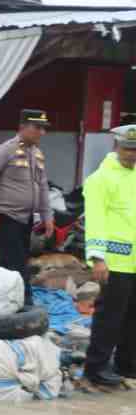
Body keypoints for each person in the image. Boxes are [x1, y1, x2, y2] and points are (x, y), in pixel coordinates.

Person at [81, 124, 136, 387]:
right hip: (114, 261)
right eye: (127, 149)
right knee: (109, 316)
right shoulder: (101, 179)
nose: (132, 155)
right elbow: (96, 220)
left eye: (135, 150)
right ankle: (97, 367)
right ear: (116, 147)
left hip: (135, 261)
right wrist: (98, 258)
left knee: (132, 316)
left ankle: (128, 364)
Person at [0, 109, 54, 308]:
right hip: (6, 216)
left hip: (26, 218)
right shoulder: (6, 149)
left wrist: (47, 216)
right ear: (22, 127)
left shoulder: (37, 153)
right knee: (17, 262)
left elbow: (42, 186)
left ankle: (5, 300)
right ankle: (26, 302)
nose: (42, 132)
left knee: (14, 261)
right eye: (37, 127)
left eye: (44, 128)